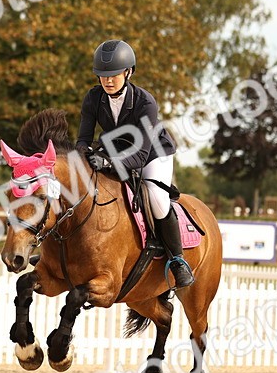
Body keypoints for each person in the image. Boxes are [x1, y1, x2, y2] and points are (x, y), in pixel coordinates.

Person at [75, 39, 194, 288]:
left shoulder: (145, 103)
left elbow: (140, 157)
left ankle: (177, 259)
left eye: (114, 75)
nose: (107, 81)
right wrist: (84, 159)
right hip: (115, 150)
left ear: (128, 72)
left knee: (157, 198)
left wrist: (107, 162)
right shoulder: (93, 98)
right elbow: (83, 140)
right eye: (102, 75)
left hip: (153, 153)